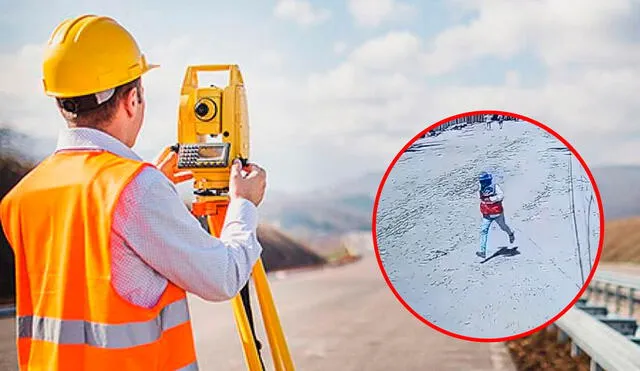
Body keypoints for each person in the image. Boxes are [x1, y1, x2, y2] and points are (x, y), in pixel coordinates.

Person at [0, 15, 266, 370]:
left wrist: (147, 185)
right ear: (132, 100)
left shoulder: (22, 197)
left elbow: (90, 258)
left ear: (61, 102)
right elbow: (224, 277)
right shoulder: (135, 190)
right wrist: (244, 203)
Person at [476, 172, 515, 259]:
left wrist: (491, 199)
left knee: (503, 227)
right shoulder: (480, 188)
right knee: (483, 231)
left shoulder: (494, 187)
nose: (482, 183)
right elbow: (479, 196)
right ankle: (482, 251)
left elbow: (501, 195)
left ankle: (510, 234)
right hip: (486, 213)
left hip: (497, 213)